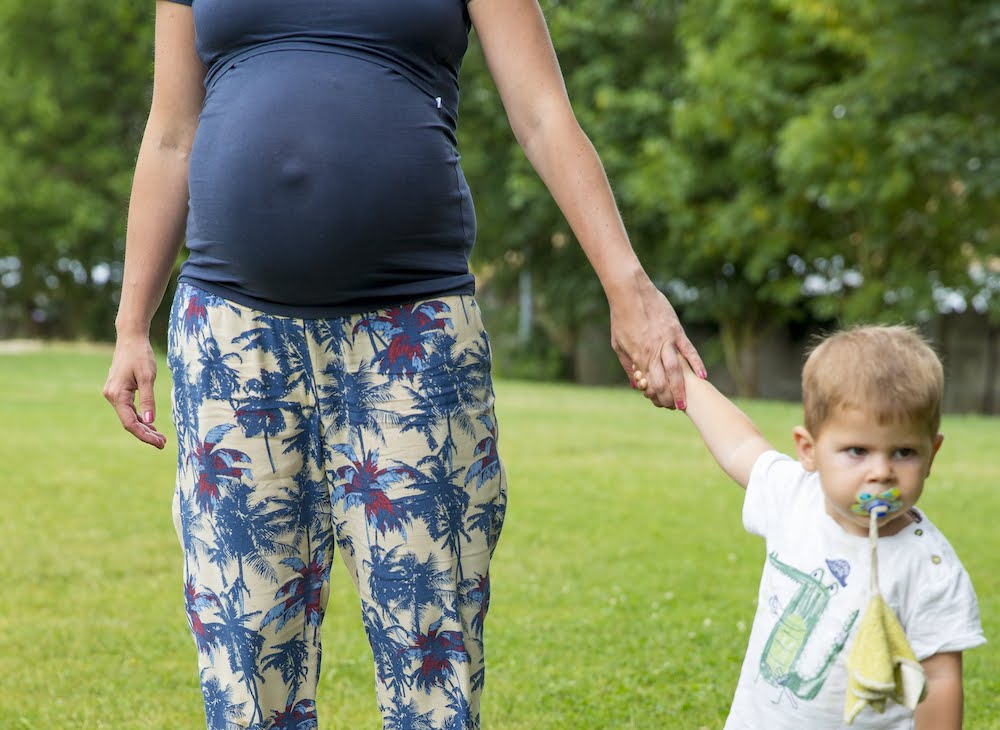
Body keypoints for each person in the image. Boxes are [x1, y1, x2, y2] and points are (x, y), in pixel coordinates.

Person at [102, 0, 704, 727]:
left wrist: (627, 285)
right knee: (244, 647)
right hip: (233, 334)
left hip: (414, 335)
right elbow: (170, 135)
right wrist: (132, 324)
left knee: (432, 646)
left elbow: (544, 115)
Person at [637, 325, 984, 728]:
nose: (881, 472)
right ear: (809, 449)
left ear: (932, 454)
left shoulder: (930, 567)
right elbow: (739, 445)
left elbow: (939, 680)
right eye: (857, 451)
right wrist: (679, 376)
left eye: (904, 452)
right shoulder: (796, 497)